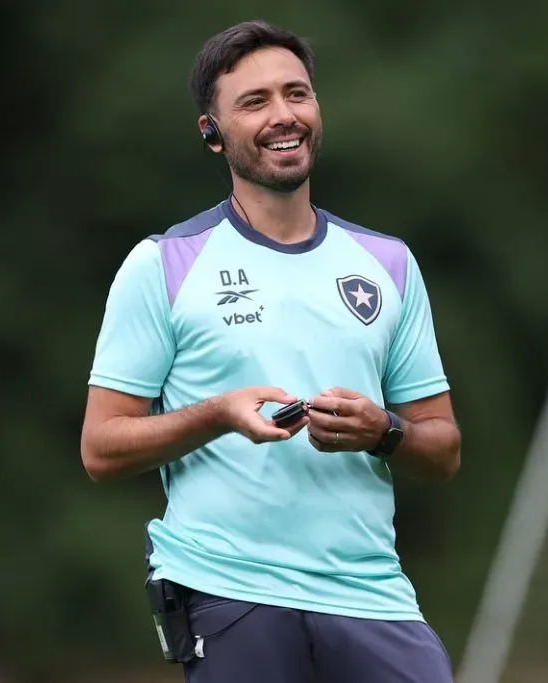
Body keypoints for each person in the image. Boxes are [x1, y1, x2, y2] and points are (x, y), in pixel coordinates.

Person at [80, 19, 461, 683]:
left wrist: (384, 431)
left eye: (297, 94)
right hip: (230, 591)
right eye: (254, 102)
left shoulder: (387, 264)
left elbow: (444, 447)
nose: (283, 115)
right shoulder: (163, 264)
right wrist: (219, 413)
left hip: (371, 596)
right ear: (212, 131)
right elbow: (100, 448)